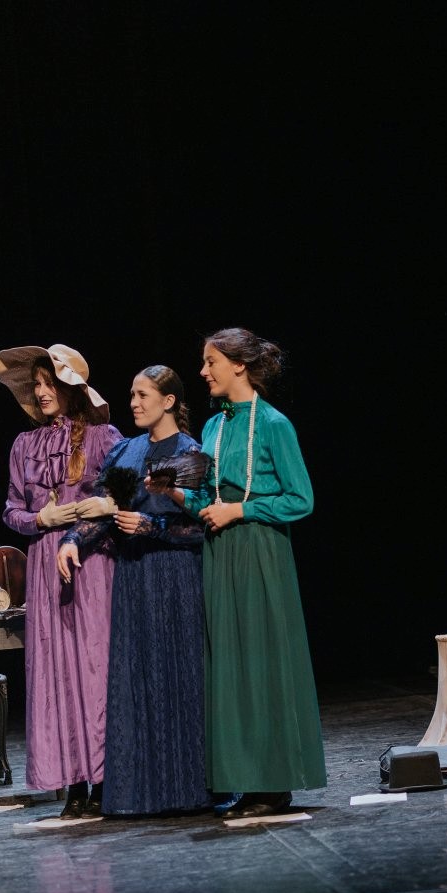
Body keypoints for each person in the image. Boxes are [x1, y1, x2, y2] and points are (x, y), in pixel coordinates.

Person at [172, 328, 326, 820]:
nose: (203, 371)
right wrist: (176, 493)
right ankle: (244, 777)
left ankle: (274, 783)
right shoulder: (214, 427)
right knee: (230, 664)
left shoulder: (275, 424)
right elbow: (205, 498)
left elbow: (300, 499)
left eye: (211, 361)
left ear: (239, 365)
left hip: (260, 550)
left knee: (263, 660)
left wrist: (241, 510)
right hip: (220, 553)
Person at [57, 366, 208, 816]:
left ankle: (190, 789)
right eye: (132, 395)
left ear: (168, 401)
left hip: (176, 576)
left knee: (178, 677)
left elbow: (201, 527)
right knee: (137, 678)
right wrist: (73, 539)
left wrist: (153, 525)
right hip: (134, 577)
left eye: (143, 395)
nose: (134, 403)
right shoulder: (126, 451)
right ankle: (141, 792)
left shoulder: (190, 453)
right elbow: (105, 512)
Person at [0, 344, 123, 818]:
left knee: (94, 668)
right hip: (44, 566)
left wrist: (91, 514)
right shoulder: (24, 445)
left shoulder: (103, 437)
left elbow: (121, 498)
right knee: (55, 673)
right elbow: (11, 509)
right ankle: (72, 784)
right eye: (37, 385)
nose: (41, 392)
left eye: (50, 383)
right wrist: (40, 519)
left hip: (91, 563)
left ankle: (105, 778)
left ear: (72, 389)